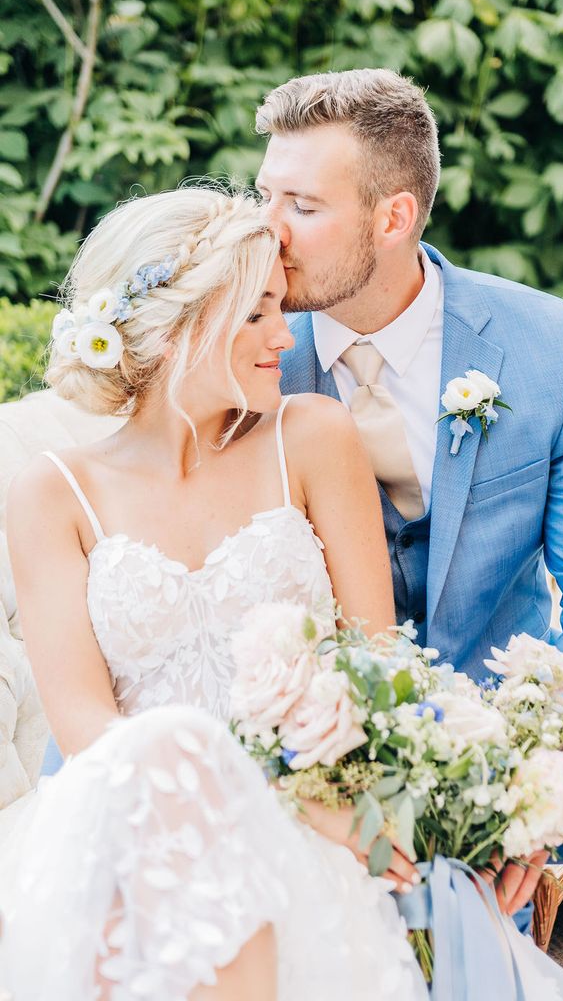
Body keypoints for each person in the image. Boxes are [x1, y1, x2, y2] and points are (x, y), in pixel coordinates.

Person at [255, 67, 563, 1001]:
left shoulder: (545, 343)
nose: (267, 228)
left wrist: (560, 762)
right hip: (318, 718)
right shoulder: (246, 342)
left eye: (302, 204)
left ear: (393, 218)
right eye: (265, 193)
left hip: (510, 700)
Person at [0, 186, 428, 1001]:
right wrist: (242, 794)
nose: (285, 336)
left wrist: (325, 799)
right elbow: (86, 724)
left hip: (313, 807)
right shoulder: (51, 493)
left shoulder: (311, 437)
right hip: (133, 812)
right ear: (178, 329)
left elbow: (375, 660)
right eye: (259, 313)